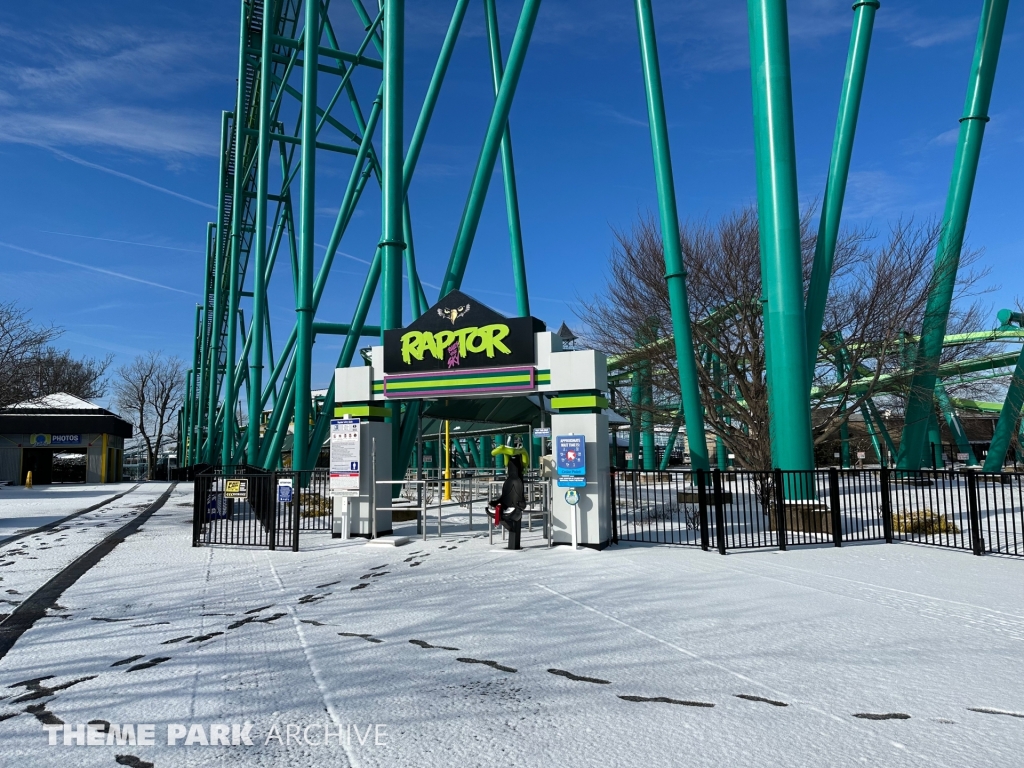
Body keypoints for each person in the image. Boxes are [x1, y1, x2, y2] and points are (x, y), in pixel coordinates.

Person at [490, 447, 527, 550]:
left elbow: (519, 496)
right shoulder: (509, 482)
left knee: (513, 523)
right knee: (505, 518)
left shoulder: (516, 482)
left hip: (517, 505)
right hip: (507, 502)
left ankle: (514, 542)